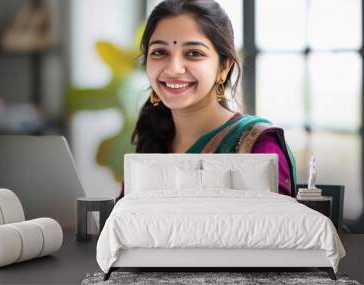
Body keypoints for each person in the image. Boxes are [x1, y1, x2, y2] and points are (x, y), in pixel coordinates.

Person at [117, 0, 296, 200]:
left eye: (194, 53)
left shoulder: (258, 145)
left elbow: (277, 229)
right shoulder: (151, 143)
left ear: (223, 68)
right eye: (160, 52)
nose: (174, 68)